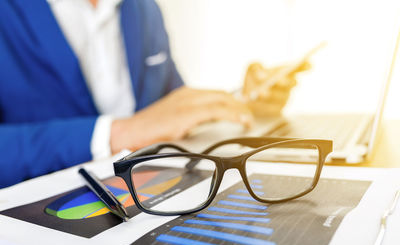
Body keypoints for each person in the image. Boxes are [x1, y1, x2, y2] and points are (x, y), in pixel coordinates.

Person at [0, 0, 305, 188]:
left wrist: (247, 101)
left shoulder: (143, 8)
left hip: (153, 191)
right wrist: (118, 132)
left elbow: (171, 107)